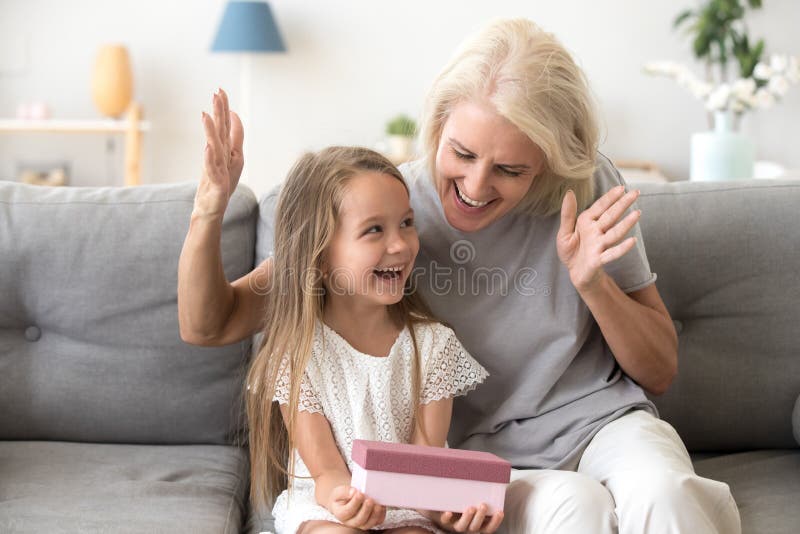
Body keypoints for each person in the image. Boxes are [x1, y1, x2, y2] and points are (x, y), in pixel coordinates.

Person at [179, 17, 741, 534]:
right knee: (577, 510)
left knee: (666, 494)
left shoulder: (587, 186)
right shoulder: (392, 211)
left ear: (547, 160)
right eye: (461, 153)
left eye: (510, 169)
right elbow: (212, 323)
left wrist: (591, 283)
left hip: (605, 424)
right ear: (438, 124)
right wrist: (209, 208)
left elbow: (659, 370)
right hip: (484, 462)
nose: (474, 185)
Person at [181, 136, 494, 533]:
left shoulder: (433, 346)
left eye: (407, 223)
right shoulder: (297, 353)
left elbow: (423, 463)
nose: (400, 244)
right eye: (374, 230)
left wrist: (444, 511)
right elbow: (327, 474)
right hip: (326, 504)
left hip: (406, 505)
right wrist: (347, 503)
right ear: (322, 256)